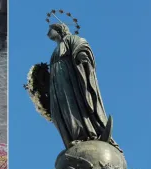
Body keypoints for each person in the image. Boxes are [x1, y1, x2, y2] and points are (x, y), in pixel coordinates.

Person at [47, 23, 120, 151]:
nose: (48, 33)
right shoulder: (55, 50)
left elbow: (82, 46)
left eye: (50, 30)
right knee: (60, 110)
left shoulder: (70, 39)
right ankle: (71, 136)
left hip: (69, 79)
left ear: (59, 29)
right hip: (57, 82)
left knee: (72, 105)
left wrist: (82, 57)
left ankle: (82, 134)